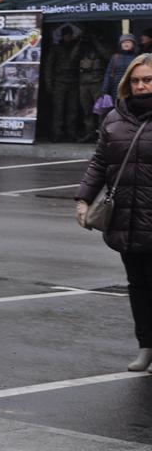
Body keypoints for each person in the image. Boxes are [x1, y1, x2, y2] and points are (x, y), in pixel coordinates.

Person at [76, 53, 152, 372]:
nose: (141, 86)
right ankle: (146, 347)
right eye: (135, 81)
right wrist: (83, 199)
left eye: (147, 80)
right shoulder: (114, 118)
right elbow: (100, 162)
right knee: (137, 285)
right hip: (125, 218)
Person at [46, 25, 81, 141]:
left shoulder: (77, 47)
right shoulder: (56, 48)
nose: (68, 37)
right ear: (62, 36)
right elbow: (49, 67)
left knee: (73, 110)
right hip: (59, 82)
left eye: (70, 35)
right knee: (58, 110)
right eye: (66, 35)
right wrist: (49, 83)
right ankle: (57, 134)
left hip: (73, 81)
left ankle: (71, 134)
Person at [76, 32, 110, 142]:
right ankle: (89, 133)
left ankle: (101, 134)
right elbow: (72, 58)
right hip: (84, 84)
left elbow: (106, 55)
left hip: (97, 83)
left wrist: (96, 41)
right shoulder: (82, 48)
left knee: (101, 111)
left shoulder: (102, 46)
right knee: (87, 111)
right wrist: (79, 43)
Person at [100, 35, 139, 115]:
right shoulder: (115, 57)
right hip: (116, 90)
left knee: (132, 111)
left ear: (133, 44)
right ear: (120, 45)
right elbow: (108, 74)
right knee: (118, 111)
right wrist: (105, 91)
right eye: (124, 42)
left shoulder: (137, 57)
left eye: (128, 42)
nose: (126, 44)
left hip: (131, 89)